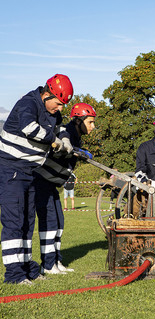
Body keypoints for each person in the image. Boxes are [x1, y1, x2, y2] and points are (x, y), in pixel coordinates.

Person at [0, 74, 73, 284]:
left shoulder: (52, 112)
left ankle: (28, 269)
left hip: (30, 172)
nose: (60, 108)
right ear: (47, 94)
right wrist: (55, 141)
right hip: (10, 169)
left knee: (27, 222)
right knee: (14, 222)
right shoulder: (27, 103)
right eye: (58, 103)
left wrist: (65, 138)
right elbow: (29, 128)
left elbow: (61, 128)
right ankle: (14, 275)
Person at [33, 102, 96, 275]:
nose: (93, 126)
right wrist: (76, 151)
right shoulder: (67, 132)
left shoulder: (76, 135)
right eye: (90, 122)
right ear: (78, 121)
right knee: (50, 222)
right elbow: (59, 148)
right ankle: (47, 264)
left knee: (59, 222)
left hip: (52, 184)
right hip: (42, 181)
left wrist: (79, 150)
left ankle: (56, 261)